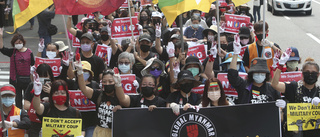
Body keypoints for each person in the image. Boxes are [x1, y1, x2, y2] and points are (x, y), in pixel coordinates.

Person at [271, 54, 320, 136]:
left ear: (318, 75)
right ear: (302, 74)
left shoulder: (319, 91)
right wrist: (280, 66)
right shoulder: (294, 87)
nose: (310, 75)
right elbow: (274, 84)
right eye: (307, 73)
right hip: (294, 133)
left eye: (313, 73)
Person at [76, 66, 123, 137]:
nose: (107, 84)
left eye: (110, 81)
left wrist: (121, 109)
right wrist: (80, 72)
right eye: (104, 81)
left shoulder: (121, 97)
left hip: (115, 132)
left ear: (116, 81)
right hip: (100, 132)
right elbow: (83, 88)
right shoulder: (98, 95)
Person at [0, 32, 35, 109]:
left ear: (23, 42)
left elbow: (33, 64)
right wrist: (0, 37)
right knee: (18, 99)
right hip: (15, 80)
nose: (18, 44)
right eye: (16, 43)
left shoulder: (29, 52)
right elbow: (2, 49)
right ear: (13, 44)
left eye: (20, 42)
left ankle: (28, 114)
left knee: (28, 98)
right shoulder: (12, 52)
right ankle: (19, 114)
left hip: (27, 80)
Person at [24, 63, 54, 137]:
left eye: (45, 76)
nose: (42, 78)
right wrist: (38, 103)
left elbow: (62, 104)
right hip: (34, 121)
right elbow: (26, 105)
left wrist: (52, 93)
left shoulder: (55, 86)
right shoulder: (32, 85)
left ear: (50, 76)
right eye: (40, 76)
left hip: (51, 121)